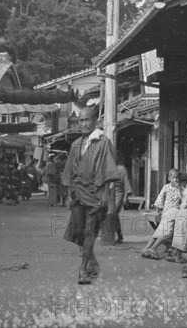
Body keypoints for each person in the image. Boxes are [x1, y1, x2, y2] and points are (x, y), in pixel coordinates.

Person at [62, 107, 120, 285]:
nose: (83, 123)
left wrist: (106, 193)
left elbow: (109, 170)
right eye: (80, 120)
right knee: (78, 232)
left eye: (87, 120)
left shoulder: (103, 143)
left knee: (89, 231)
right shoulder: (76, 144)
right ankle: (92, 261)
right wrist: (68, 194)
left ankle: (82, 268)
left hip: (96, 192)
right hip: (78, 192)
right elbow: (70, 169)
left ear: (95, 121)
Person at [141, 168, 183, 259]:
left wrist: (179, 188)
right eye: (174, 178)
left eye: (177, 178)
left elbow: (183, 199)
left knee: (159, 231)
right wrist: (159, 210)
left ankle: (146, 248)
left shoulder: (180, 189)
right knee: (166, 232)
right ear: (169, 178)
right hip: (170, 213)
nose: (176, 180)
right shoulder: (166, 187)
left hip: (170, 213)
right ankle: (152, 249)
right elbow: (160, 198)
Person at [112, 158, 133, 244]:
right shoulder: (105, 167)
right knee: (112, 215)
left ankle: (116, 236)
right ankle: (119, 235)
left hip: (118, 193)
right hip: (108, 193)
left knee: (113, 213)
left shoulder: (121, 169)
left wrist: (126, 197)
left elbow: (126, 182)